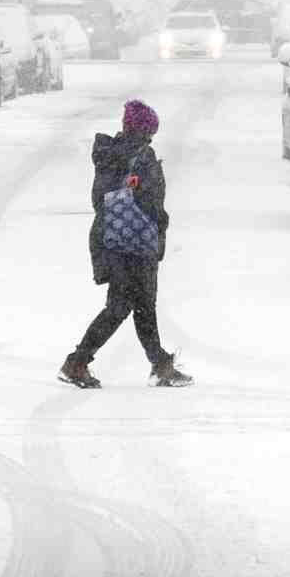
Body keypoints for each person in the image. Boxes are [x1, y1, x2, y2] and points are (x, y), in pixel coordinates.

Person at [63, 98, 189, 387]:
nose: (151, 137)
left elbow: (102, 199)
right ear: (142, 130)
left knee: (142, 305)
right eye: (149, 131)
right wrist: (159, 220)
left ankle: (160, 364)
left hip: (117, 239)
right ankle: (77, 362)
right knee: (121, 306)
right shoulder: (136, 157)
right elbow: (149, 202)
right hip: (132, 243)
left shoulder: (114, 154)